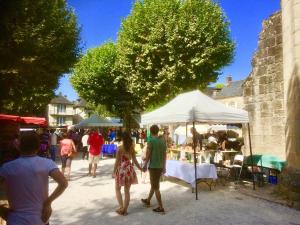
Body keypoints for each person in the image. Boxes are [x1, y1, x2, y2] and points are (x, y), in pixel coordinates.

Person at [0, 131, 68, 225]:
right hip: (40, 218)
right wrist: (48, 202)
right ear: (38, 147)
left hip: (15, 219)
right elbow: (63, 183)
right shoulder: (47, 163)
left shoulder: (7, 167)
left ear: (18, 146)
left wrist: (1, 209)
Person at [112, 131, 142, 216]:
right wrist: (140, 168)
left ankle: (121, 207)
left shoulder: (120, 148)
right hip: (129, 170)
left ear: (122, 138)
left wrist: (114, 172)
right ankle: (124, 209)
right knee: (127, 191)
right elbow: (135, 160)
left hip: (121, 170)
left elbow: (117, 161)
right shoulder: (132, 147)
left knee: (117, 188)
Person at [141, 125, 167, 214]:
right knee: (154, 184)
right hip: (159, 166)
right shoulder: (163, 141)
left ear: (151, 132)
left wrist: (144, 165)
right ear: (157, 131)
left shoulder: (151, 141)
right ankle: (148, 200)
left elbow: (148, 155)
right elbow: (164, 155)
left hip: (154, 166)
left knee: (156, 187)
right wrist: (164, 167)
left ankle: (161, 207)